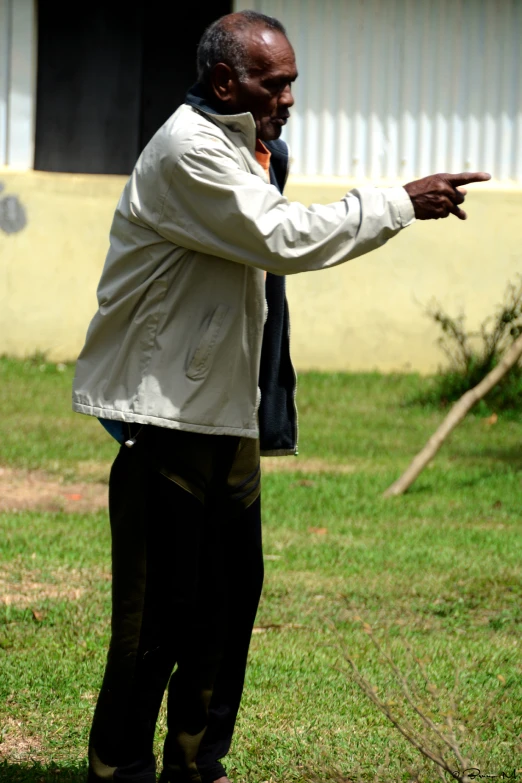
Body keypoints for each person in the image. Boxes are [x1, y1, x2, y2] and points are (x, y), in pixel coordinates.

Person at [72, 10, 490, 783]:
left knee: (227, 602)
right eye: (275, 82)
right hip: (165, 413)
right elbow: (283, 239)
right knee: (157, 613)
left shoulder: (254, 147)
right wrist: (399, 201)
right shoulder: (191, 150)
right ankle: (118, 767)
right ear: (226, 82)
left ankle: (198, 764)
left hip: (220, 410)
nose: (289, 96)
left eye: (293, 81)